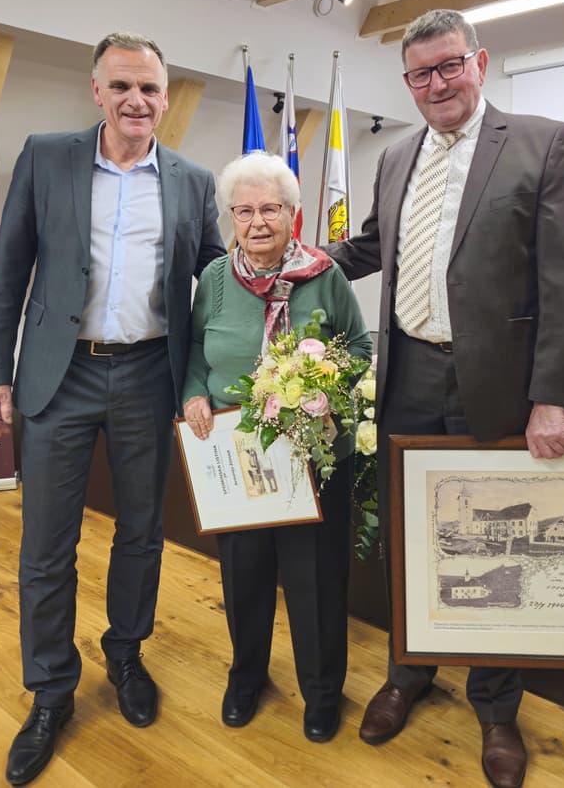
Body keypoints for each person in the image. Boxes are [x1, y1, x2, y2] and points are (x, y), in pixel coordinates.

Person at [326, 9, 564, 788]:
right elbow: (374, 244)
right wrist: (310, 259)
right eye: (421, 72)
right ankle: (409, 672)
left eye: (449, 66)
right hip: (404, 372)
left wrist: (552, 398)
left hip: (495, 386)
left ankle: (496, 705)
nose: (437, 83)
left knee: (492, 545)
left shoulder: (542, 141)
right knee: (412, 538)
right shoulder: (394, 153)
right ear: (407, 81)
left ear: (479, 62)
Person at [0, 31, 226, 786]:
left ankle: (125, 653)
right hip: (60, 377)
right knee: (46, 547)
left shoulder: (192, 179)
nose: (136, 100)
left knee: (143, 534)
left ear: (165, 92)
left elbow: (212, 281)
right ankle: (50, 690)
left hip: (151, 374)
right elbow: (8, 268)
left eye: (149, 87)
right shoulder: (47, 157)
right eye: (121, 86)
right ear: (96, 92)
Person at [182, 151, 372, 743]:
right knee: (244, 574)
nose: (257, 221)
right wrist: (192, 394)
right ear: (230, 217)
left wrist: (318, 391)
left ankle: (321, 692)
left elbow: (361, 352)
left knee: (315, 577)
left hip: (313, 455)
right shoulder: (214, 280)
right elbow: (193, 354)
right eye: (244, 210)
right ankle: (246, 678)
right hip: (237, 456)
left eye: (270, 209)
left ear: (292, 214)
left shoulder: (325, 276)